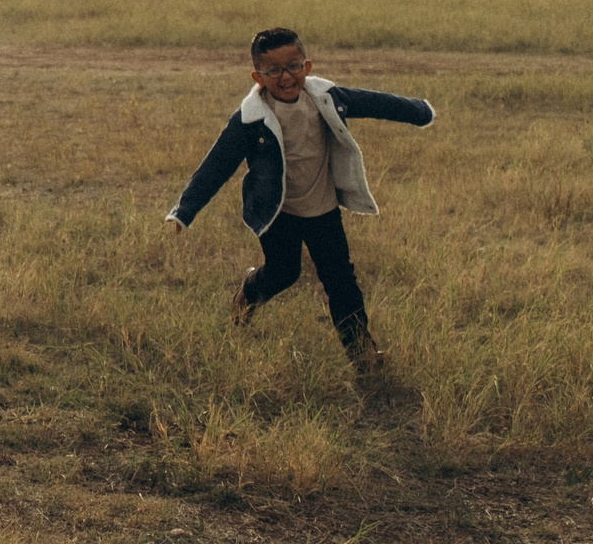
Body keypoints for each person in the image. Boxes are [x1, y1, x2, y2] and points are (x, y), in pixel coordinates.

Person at [164, 26, 436, 373]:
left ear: (306, 66)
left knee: (341, 279)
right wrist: (184, 211)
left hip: (322, 209)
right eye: (273, 70)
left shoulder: (324, 96)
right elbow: (217, 165)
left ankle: (361, 353)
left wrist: (420, 111)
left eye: (293, 66)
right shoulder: (251, 119)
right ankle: (249, 291)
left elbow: (377, 103)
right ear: (258, 76)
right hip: (277, 213)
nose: (285, 76)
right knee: (284, 273)